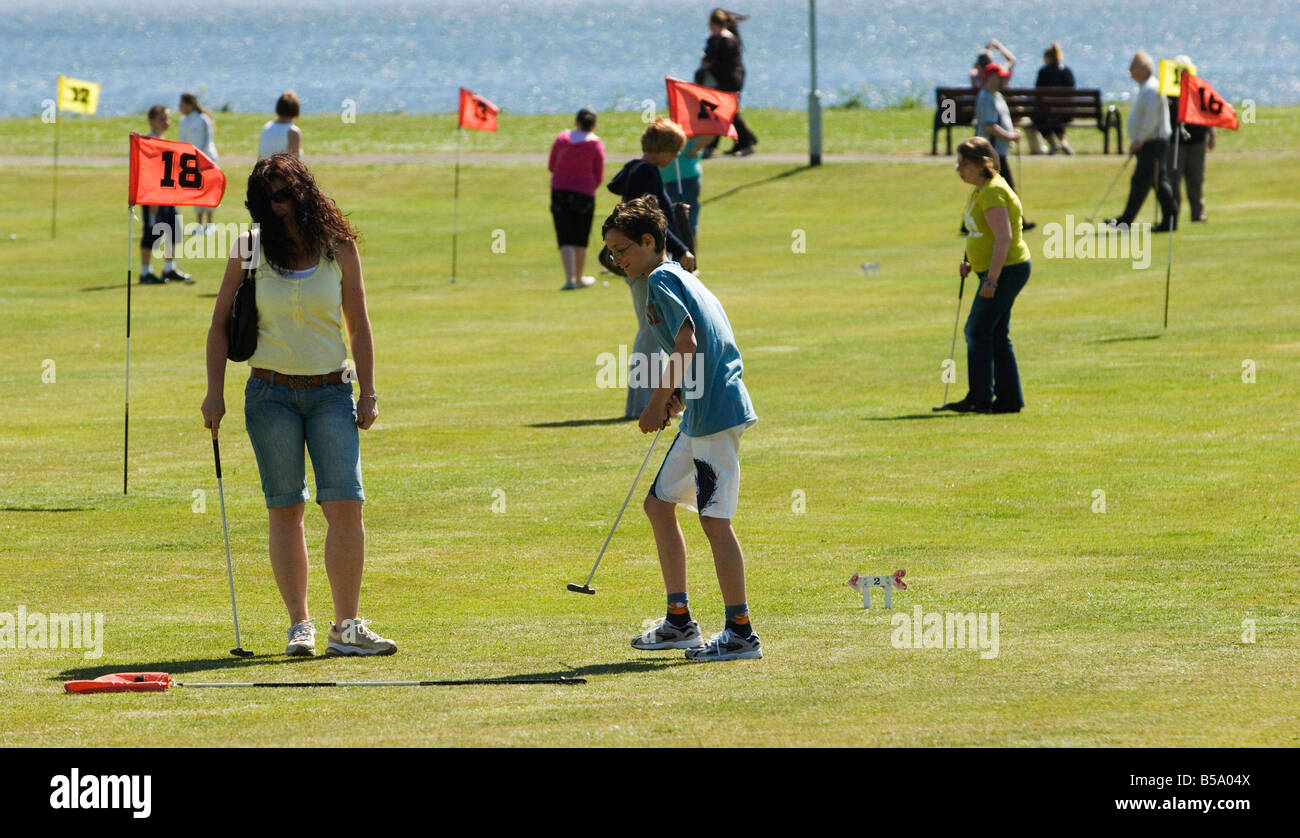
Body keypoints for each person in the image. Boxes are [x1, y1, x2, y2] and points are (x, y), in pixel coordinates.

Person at [201, 153, 396, 658]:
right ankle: (300, 626)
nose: (278, 206)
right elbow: (220, 324)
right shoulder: (248, 249)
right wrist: (213, 392)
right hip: (269, 395)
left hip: (332, 391)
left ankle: (346, 627)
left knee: (345, 505)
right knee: (285, 509)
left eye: (285, 194)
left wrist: (369, 392)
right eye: (268, 199)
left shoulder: (339, 248)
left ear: (304, 192)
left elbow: (359, 324)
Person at [601, 195, 761, 661]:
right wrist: (676, 395)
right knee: (658, 504)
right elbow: (702, 343)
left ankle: (740, 632)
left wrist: (654, 403)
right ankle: (679, 622)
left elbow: (686, 343)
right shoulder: (681, 276)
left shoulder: (659, 280)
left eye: (622, 249)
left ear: (650, 242)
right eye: (610, 252)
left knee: (714, 521)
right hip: (701, 413)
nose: (616, 260)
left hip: (714, 416)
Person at [605, 118, 696, 420]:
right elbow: (652, 224)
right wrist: (682, 249)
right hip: (646, 259)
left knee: (653, 327)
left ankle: (651, 401)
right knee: (651, 328)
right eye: (674, 152)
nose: (674, 160)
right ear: (663, 150)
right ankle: (643, 405)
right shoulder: (649, 171)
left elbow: (613, 186)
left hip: (639, 257)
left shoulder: (635, 167)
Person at [936, 137, 1032, 415]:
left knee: (977, 331)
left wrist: (991, 281)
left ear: (982, 164)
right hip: (996, 270)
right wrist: (969, 260)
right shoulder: (980, 190)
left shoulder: (992, 192)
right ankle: (1009, 400)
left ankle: (980, 398)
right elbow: (980, 232)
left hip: (1007, 270)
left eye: (964, 163)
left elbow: (1003, 238)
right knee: (996, 333)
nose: (958, 169)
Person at [1107, 51, 1176, 232]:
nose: (1130, 72)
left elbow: (1151, 119)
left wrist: (1140, 139)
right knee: (1157, 181)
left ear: (1144, 69)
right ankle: (1169, 217)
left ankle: (1127, 220)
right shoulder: (1146, 87)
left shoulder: (1152, 89)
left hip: (1153, 142)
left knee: (1142, 181)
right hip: (1149, 142)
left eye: (1133, 68)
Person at [547, 107, 605, 290]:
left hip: (560, 191)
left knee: (565, 235)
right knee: (581, 235)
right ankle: (578, 278)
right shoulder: (595, 144)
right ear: (594, 125)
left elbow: (551, 166)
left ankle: (569, 278)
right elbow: (599, 174)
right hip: (584, 193)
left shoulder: (562, 139)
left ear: (576, 122)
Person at [976, 63, 1035, 230]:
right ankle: (1019, 221)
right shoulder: (986, 97)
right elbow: (989, 127)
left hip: (999, 150)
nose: (1003, 79)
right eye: (999, 77)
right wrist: (1010, 136)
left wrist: (1011, 132)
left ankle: (1017, 220)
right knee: (1006, 188)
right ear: (990, 78)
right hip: (992, 152)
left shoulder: (997, 96)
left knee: (989, 187)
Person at [138, 105, 192, 285]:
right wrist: (153, 201)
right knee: (151, 233)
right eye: (162, 118)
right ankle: (146, 272)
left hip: (167, 195)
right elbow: (149, 174)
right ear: (151, 120)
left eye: (167, 118)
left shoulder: (162, 141)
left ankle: (169, 268)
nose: (166, 122)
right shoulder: (150, 143)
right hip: (154, 196)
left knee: (173, 230)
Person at [696, 8, 757, 157]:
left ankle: (744, 142)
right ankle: (744, 140)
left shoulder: (721, 40)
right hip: (732, 78)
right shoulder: (729, 38)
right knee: (724, 112)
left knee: (725, 112)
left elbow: (711, 61)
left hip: (726, 80)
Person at [1166, 56, 1214, 223]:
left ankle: (1197, 213)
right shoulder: (1168, 94)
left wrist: (1211, 134)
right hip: (1175, 142)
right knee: (1173, 179)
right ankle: (1173, 214)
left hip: (1197, 140)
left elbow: (1206, 114)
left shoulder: (1198, 91)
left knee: (1196, 180)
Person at [178, 92, 219, 232]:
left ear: (190, 104)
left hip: (207, 159)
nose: (179, 106)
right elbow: (182, 141)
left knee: (208, 190)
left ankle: (210, 224)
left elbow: (207, 140)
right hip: (191, 162)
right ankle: (199, 225)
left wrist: (202, 159)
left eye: (182, 103)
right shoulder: (183, 121)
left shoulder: (203, 119)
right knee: (196, 192)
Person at [1033, 43, 1076, 155]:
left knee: (1038, 118)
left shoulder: (1043, 72)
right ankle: (1064, 142)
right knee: (1056, 117)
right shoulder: (1067, 71)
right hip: (1066, 114)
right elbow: (1072, 91)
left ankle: (1052, 144)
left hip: (1047, 113)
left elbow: (1037, 92)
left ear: (1047, 57)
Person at [660, 136, 703, 244]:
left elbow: (710, 133)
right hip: (662, 178)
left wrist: (696, 148)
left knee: (687, 225)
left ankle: (690, 257)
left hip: (685, 178)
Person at [258, 91, 303, 160]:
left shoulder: (267, 126)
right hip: (280, 170)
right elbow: (295, 162)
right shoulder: (292, 131)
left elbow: (260, 156)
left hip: (264, 169)